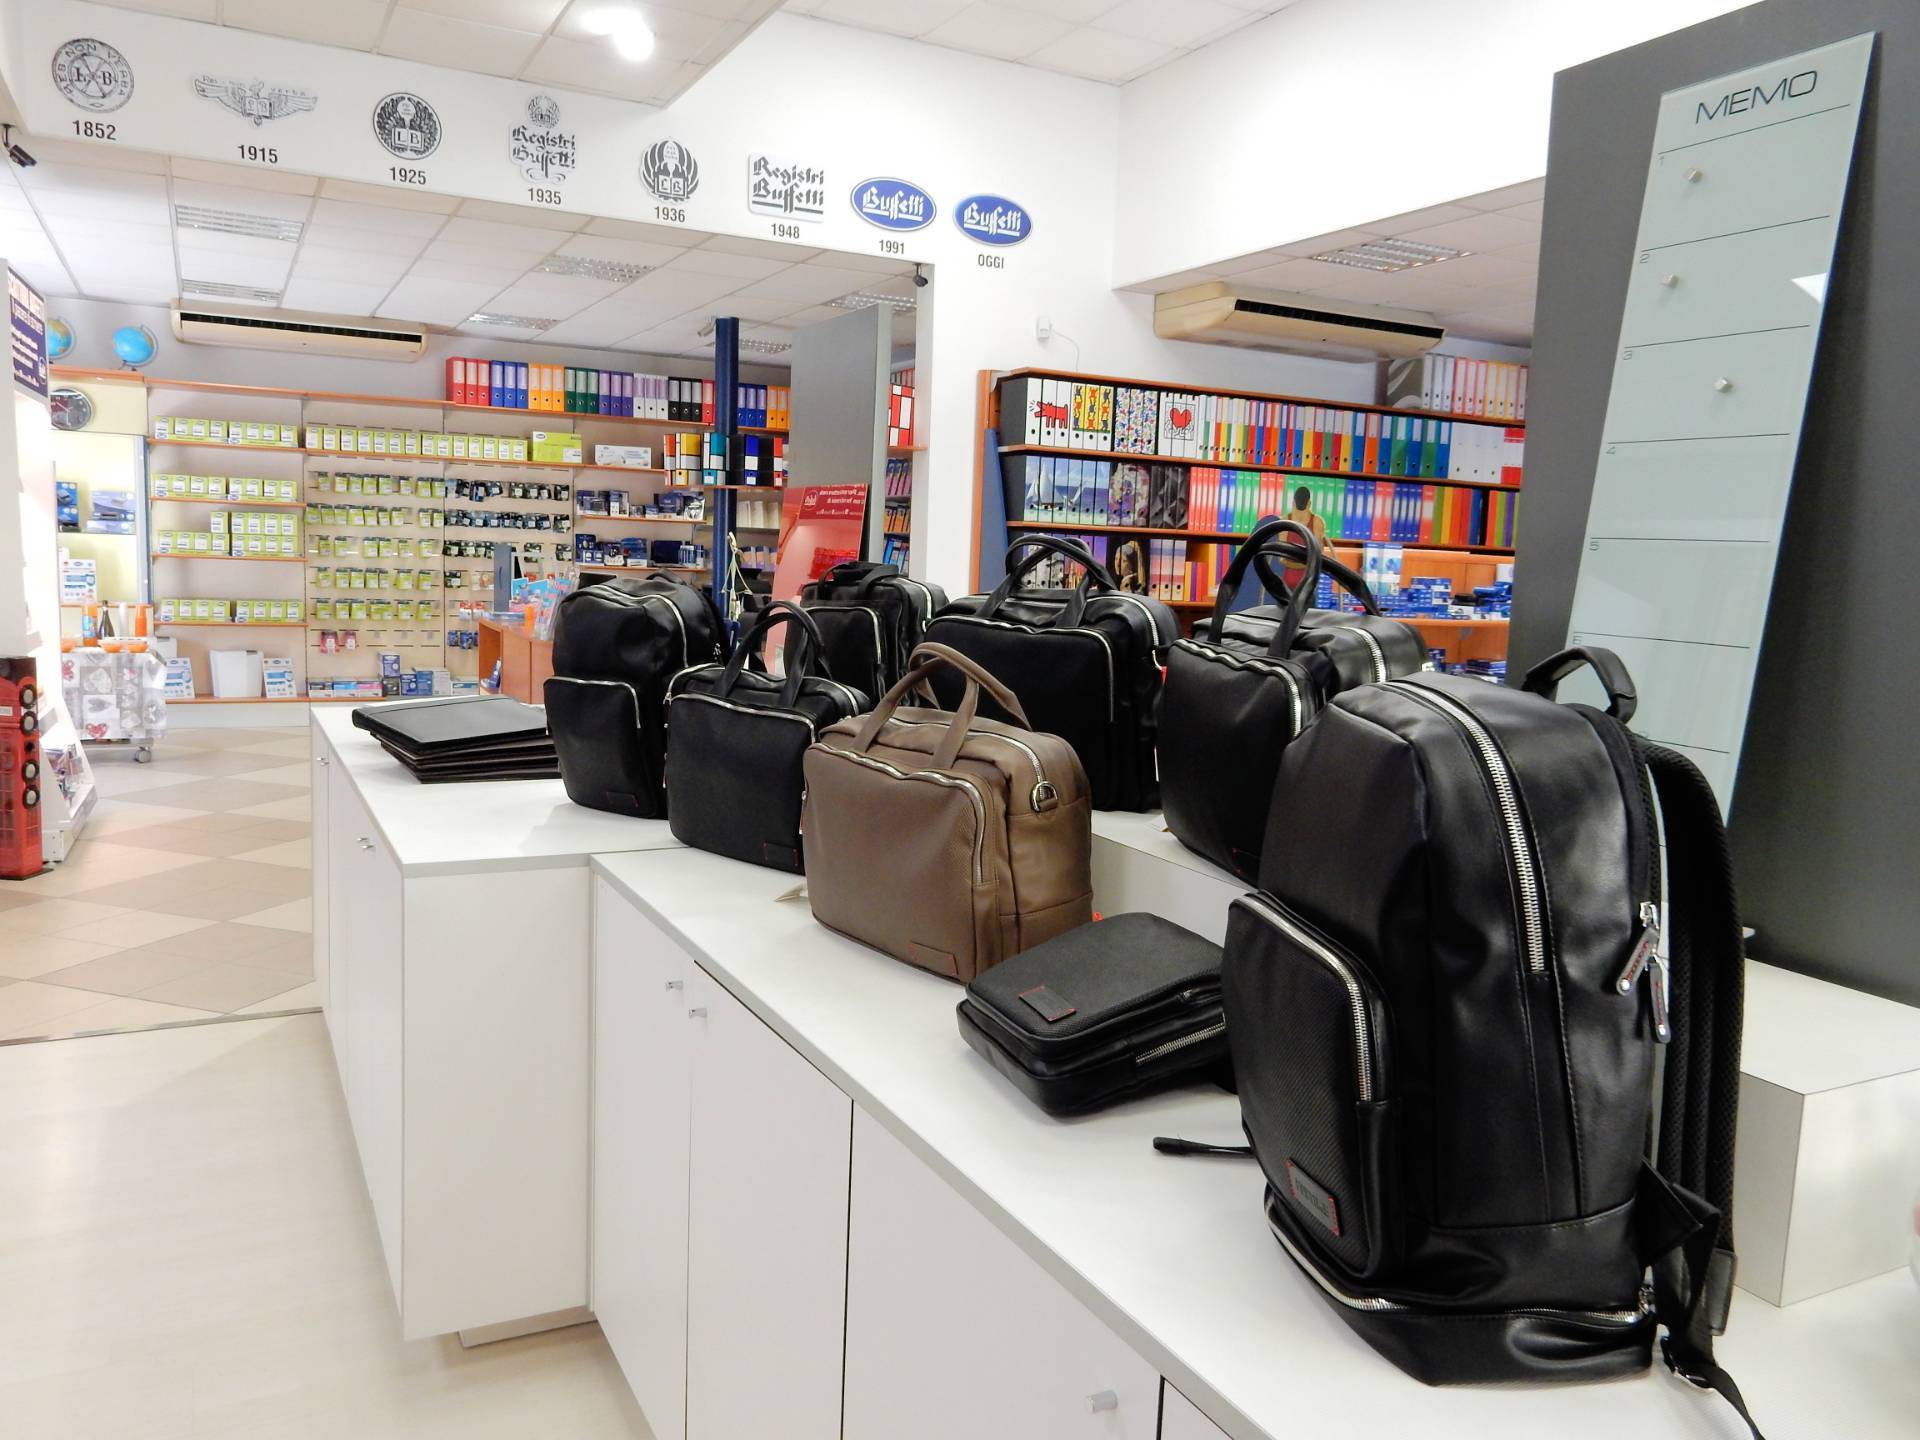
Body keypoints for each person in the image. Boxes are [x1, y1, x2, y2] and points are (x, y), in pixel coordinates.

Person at [1282, 485, 1327, 593]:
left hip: (1308, 583)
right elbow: (1281, 558)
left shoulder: (1317, 522)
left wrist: (1296, 562)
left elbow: (1318, 555)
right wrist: (1306, 563)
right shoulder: (1285, 520)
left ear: (1293, 503)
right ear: (1309, 504)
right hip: (1290, 582)